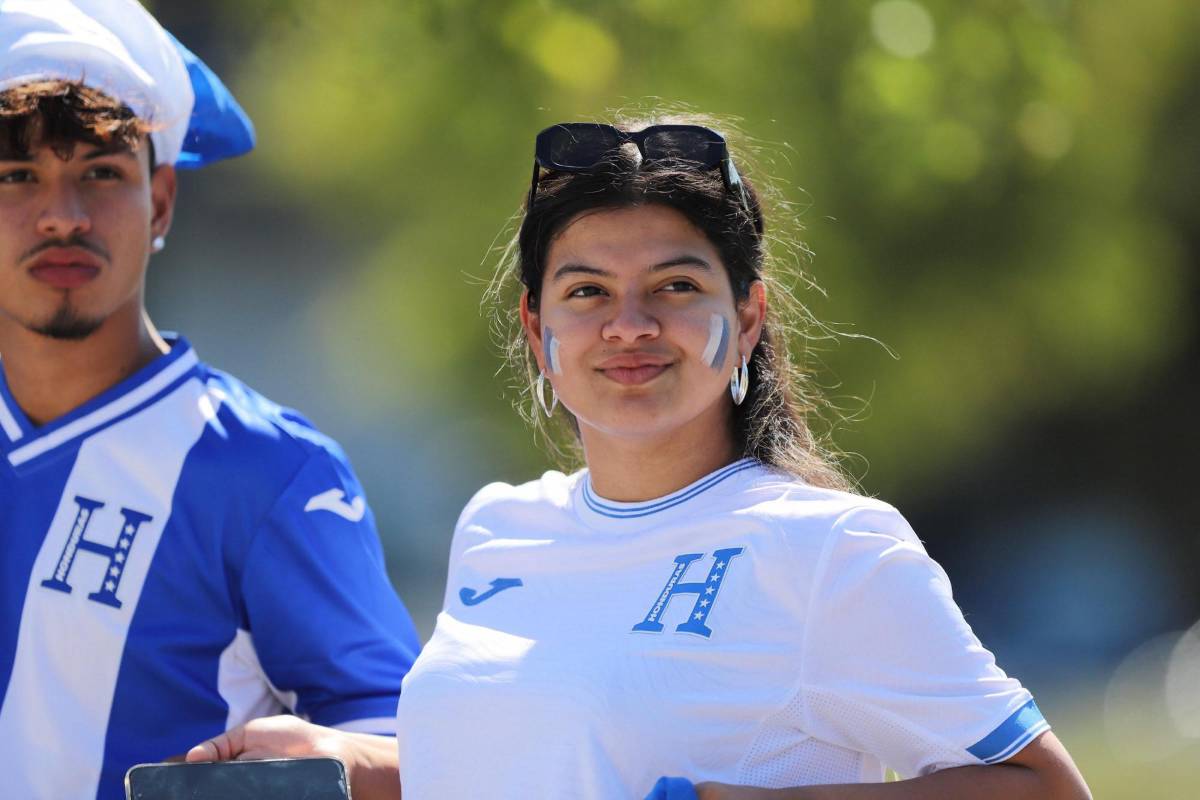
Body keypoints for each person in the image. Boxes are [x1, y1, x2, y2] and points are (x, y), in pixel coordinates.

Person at [189, 119, 1091, 800]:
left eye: (676, 286)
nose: (629, 325)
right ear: (538, 330)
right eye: (587, 292)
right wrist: (352, 759)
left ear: (745, 319)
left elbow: (1044, 788)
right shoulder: (499, 525)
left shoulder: (829, 549)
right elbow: (532, 757)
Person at [0, 2, 420, 798]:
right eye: (17, 175)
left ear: (160, 200)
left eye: (101, 171)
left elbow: (412, 753)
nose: (61, 214)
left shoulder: (268, 472)